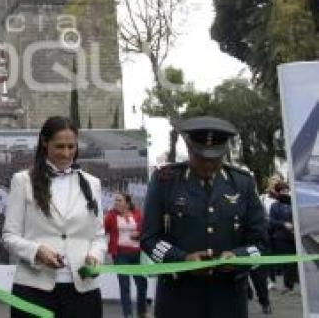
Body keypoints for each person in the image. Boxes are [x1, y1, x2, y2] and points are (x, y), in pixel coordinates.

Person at [140, 117, 267, 318]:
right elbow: (149, 239)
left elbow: (260, 243)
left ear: (224, 152)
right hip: (178, 299)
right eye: (201, 158)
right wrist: (183, 259)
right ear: (190, 150)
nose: (208, 165)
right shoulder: (165, 181)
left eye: (215, 159)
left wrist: (239, 257)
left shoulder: (242, 184)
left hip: (228, 301)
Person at [2, 116, 106, 318]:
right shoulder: (22, 181)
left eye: (71, 146)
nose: (66, 153)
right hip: (33, 290)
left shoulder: (92, 183)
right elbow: (9, 236)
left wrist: (95, 255)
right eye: (59, 146)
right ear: (44, 142)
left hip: (83, 290)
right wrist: (36, 251)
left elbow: (99, 236)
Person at [104, 192, 147, 318]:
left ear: (127, 203)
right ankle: (128, 315)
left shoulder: (137, 214)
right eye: (115, 200)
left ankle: (141, 312)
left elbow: (145, 230)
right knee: (125, 286)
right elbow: (101, 230)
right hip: (120, 255)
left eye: (119, 200)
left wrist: (139, 234)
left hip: (137, 254)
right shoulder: (111, 216)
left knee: (142, 284)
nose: (116, 203)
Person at [268, 182, 298, 293]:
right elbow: (271, 221)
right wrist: (283, 224)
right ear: (278, 192)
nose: (285, 192)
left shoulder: (294, 204)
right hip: (281, 237)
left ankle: (292, 283)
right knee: (286, 262)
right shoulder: (274, 206)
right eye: (282, 190)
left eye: (286, 190)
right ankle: (288, 285)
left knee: (293, 262)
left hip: (294, 236)